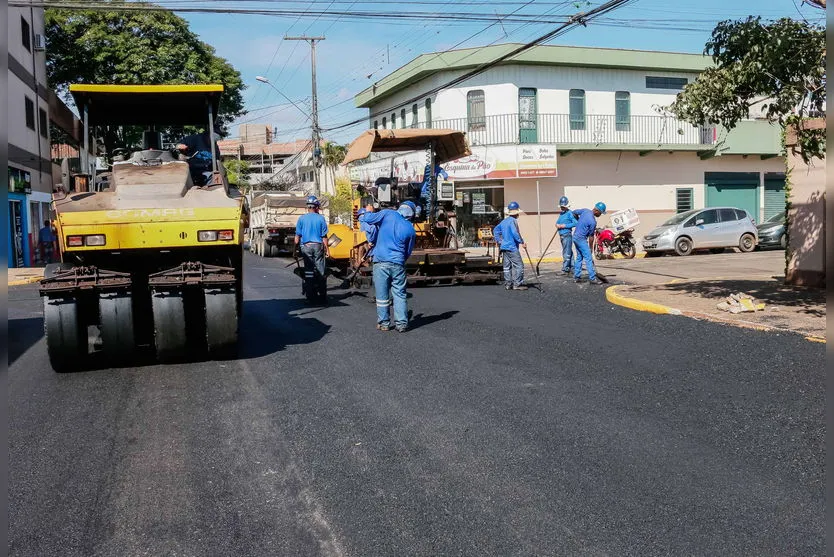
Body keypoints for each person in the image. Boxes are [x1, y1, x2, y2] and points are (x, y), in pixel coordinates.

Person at [359, 202, 417, 332]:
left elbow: (367, 219)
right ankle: (401, 324)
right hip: (398, 264)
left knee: (382, 295)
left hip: (381, 262)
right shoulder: (410, 229)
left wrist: (368, 210)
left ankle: (384, 323)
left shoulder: (388, 214)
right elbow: (408, 252)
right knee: (400, 294)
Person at [295, 195, 330, 302]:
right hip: (318, 246)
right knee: (320, 270)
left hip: (306, 246)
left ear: (308, 207)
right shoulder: (321, 218)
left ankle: (310, 297)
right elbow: (324, 236)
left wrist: (295, 250)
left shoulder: (301, 219)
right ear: (316, 207)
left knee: (309, 272)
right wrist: (327, 250)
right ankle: (322, 296)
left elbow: (297, 238)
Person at [493, 201, 528, 291]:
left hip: (504, 247)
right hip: (512, 247)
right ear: (516, 213)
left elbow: (496, 230)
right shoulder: (513, 221)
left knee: (507, 267)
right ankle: (517, 284)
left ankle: (508, 284)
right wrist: (522, 242)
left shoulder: (504, 221)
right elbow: (515, 233)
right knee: (519, 265)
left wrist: (499, 241)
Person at [572, 202, 607, 285]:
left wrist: (578, 221)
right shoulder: (592, 222)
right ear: (597, 211)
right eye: (600, 213)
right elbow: (591, 237)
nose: (600, 215)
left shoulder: (585, 211)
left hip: (575, 237)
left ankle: (576, 277)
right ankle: (592, 278)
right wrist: (590, 248)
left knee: (579, 257)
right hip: (581, 239)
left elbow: (574, 212)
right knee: (588, 258)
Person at [555, 196, 577, 275]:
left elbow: (575, 223)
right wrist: (557, 225)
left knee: (566, 252)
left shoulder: (570, 213)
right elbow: (558, 222)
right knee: (569, 251)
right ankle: (572, 267)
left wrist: (564, 226)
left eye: (563, 206)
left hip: (567, 235)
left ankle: (565, 269)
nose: (562, 208)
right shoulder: (562, 214)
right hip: (561, 235)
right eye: (561, 206)